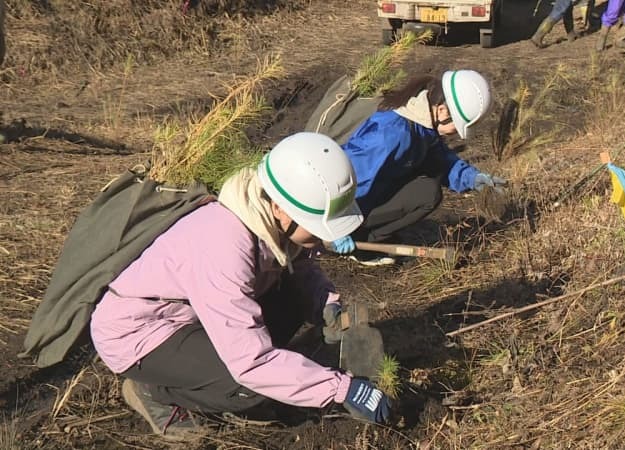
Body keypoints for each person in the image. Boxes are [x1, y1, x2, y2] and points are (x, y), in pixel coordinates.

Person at [89, 132, 391, 441]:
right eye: (316, 229)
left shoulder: (264, 220)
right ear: (280, 209)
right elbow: (251, 363)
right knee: (248, 387)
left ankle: (208, 371)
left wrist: (324, 302)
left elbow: (298, 266)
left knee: (292, 296)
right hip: (140, 333)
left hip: (191, 316)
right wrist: (341, 389)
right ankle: (155, 392)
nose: (322, 239)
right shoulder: (225, 246)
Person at [328, 70, 506, 266]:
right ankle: (360, 242)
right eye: (457, 126)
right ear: (442, 111)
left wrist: (471, 177)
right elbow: (347, 178)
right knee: (427, 194)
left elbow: (439, 158)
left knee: (426, 191)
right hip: (339, 203)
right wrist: (335, 227)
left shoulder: (421, 123)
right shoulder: (393, 135)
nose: (456, 134)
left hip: (373, 193)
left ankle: (367, 235)